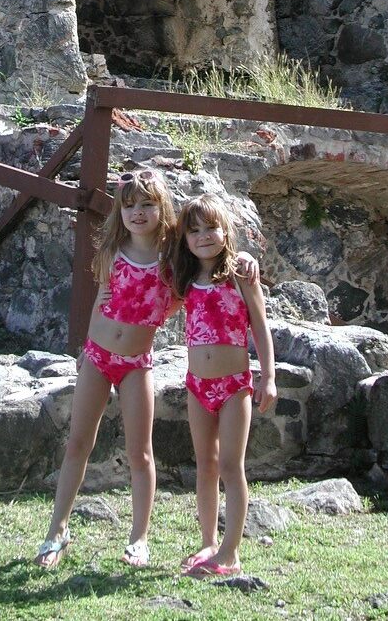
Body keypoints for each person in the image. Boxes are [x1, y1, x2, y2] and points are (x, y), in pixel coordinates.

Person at [34, 170, 258, 570]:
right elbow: (103, 297)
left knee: (141, 452)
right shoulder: (111, 251)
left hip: (137, 363)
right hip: (98, 356)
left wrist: (243, 256)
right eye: (130, 205)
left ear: (162, 209)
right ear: (120, 210)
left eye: (148, 204)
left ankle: (139, 538)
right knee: (78, 444)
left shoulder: (174, 259)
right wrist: (87, 345)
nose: (138, 212)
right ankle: (57, 530)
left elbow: (203, 270)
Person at [170, 193, 276, 577]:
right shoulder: (184, 278)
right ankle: (207, 543)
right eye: (194, 231)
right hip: (197, 385)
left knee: (232, 466)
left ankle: (230, 551)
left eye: (211, 227)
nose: (203, 237)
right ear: (184, 239)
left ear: (225, 230)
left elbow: (260, 329)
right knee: (206, 466)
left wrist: (270, 377)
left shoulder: (240, 273)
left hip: (234, 385)